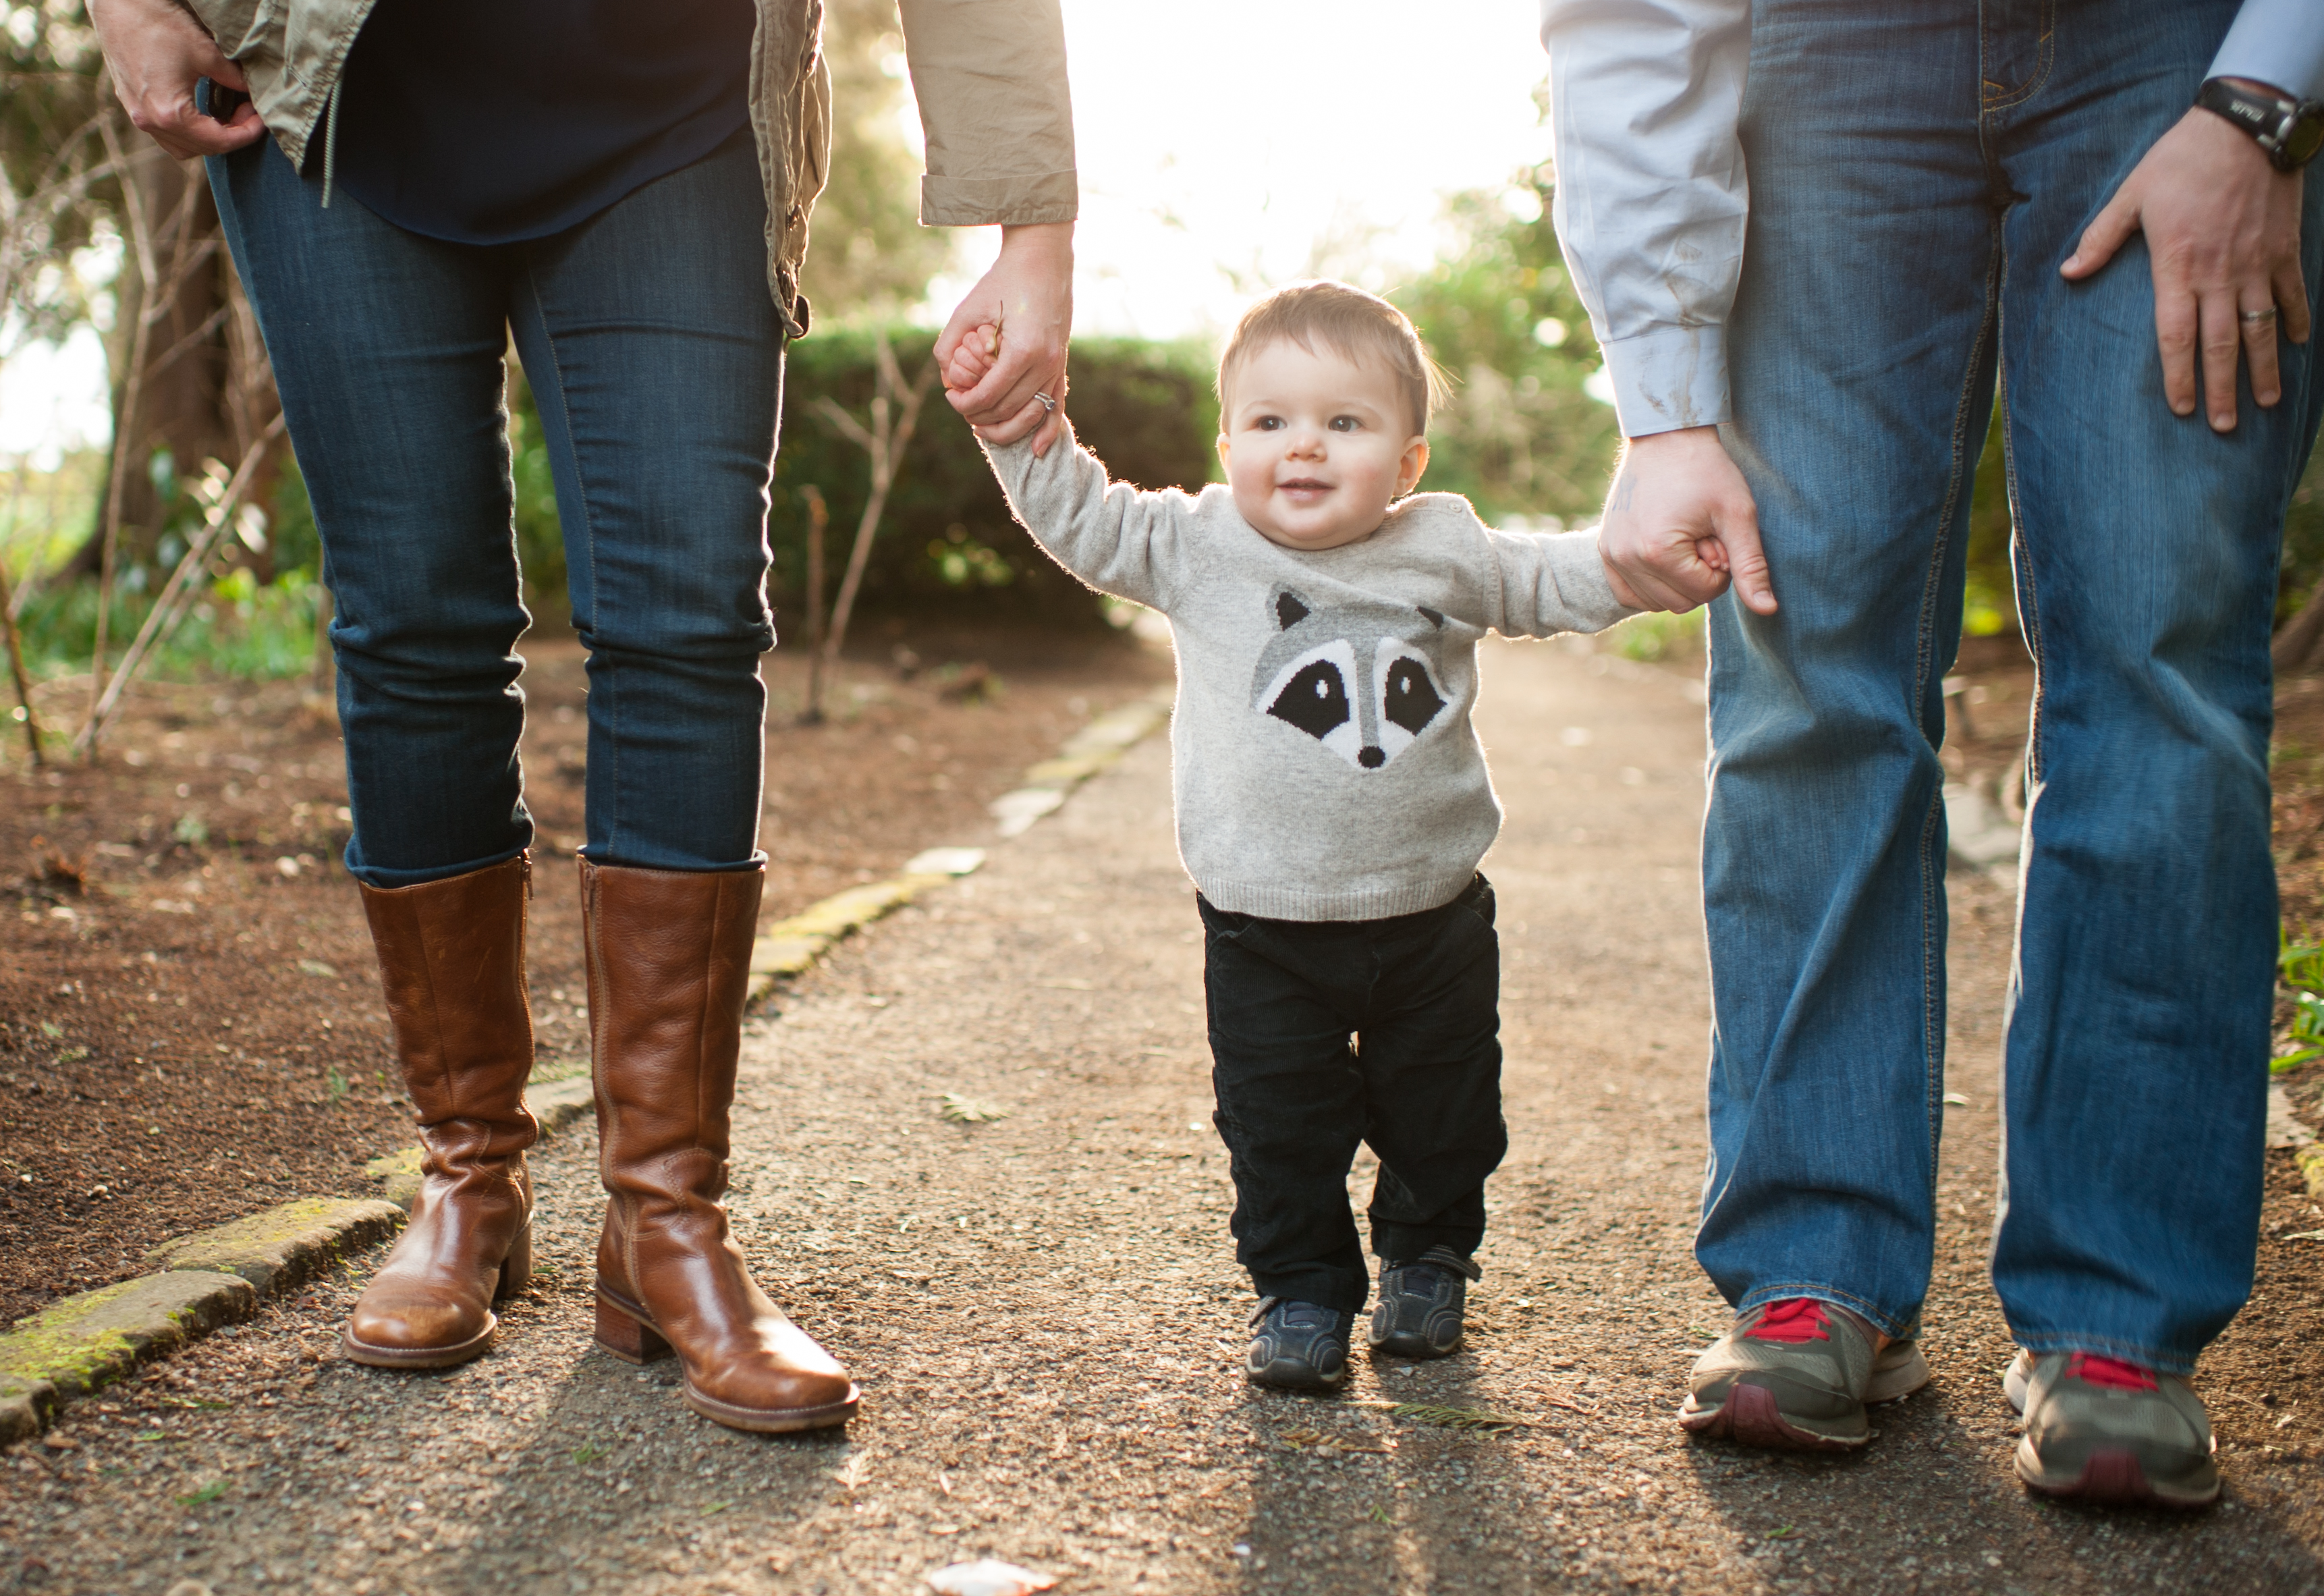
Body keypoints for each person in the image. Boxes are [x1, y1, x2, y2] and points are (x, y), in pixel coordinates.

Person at [87, 0, 1078, 1434]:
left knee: (686, 616)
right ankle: (468, 1175)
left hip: (675, 107)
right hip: (336, 90)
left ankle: (667, 1222)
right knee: (415, 624)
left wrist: (1027, 222)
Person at [1539, 0, 2324, 1506]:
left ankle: (2118, 1323)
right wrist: (1664, 401)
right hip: (1823, 56)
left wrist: (2269, 97)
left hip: (2181, 52)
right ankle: (1815, 1269)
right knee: (1802, 662)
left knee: (2163, 665)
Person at [952, 281, 1661, 1387]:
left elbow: (1546, 578)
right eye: (1273, 422)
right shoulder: (1198, 545)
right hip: (1263, 929)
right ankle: (1300, 1290)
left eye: (1346, 422)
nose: (1306, 448)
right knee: (1279, 1129)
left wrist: (1637, 564)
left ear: (1409, 462)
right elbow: (1083, 518)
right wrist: (1018, 430)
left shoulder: (1444, 546)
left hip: (1433, 920)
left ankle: (1429, 1258)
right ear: (1228, 442)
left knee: (1447, 1111)